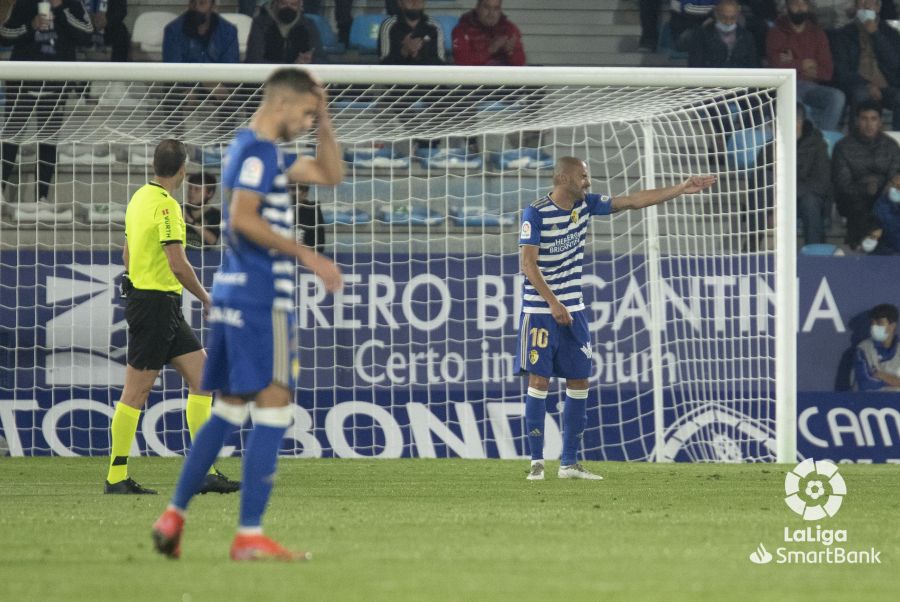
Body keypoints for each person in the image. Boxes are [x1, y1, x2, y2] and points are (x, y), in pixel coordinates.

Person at [152, 68, 344, 561]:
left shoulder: (256, 152)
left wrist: (324, 120)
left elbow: (329, 174)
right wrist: (307, 254)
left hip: (233, 298)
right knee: (275, 408)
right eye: (304, 113)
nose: (306, 123)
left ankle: (174, 515)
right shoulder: (260, 153)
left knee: (229, 409)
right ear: (281, 105)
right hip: (262, 300)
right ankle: (249, 536)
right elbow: (241, 218)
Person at [516, 157, 715, 480]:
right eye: (582, 176)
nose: (588, 182)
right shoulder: (535, 212)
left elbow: (633, 201)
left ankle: (568, 464)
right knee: (539, 381)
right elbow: (528, 264)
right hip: (540, 311)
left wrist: (679, 189)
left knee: (579, 380)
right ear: (564, 178)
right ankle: (537, 463)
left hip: (574, 310)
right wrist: (553, 303)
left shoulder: (586, 206)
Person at [108, 139, 238, 495]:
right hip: (155, 305)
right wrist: (206, 297)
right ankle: (116, 477)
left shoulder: (138, 199)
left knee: (203, 379)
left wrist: (137, 284)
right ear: (183, 169)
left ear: (154, 165)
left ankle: (203, 471)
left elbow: (127, 254)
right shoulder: (168, 208)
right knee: (136, 392)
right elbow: (177, 264)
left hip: (159, 304)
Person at [0, 0, 92, 220]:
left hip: (56, 83)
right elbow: (4, 34)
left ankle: (42, 197)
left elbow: (88, 36)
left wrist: (61, 11)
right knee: (11, 137)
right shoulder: (25, 3)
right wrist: (31, 25)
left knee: (49, 140)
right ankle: (0, 190)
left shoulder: (73, 5)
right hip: (22, 81)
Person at [766, 0, 845, 131]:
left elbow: (827, 71)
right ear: (787, 6)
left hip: (812, 87)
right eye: (795, 4)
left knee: (837, 97)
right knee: (793, 97)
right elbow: (776, 65)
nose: (799, 8)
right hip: (786, 85)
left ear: (808, 7)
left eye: (803, 4)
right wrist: (803, 65)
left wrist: (792, 63)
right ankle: (810, 137)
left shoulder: (817, 33)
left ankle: (823, 138)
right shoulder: (776, 32)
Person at [832, 100, 900, 244]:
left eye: (873, 119)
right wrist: (865, 189)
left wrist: (887, 188)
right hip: (852, 199)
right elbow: (842, 185)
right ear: (857, 121)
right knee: (860, 206)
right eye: (864, 119)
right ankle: (859, 248)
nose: (869, 124)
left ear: (880, 122)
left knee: (890, 205)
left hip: (885, 196)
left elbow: (895, 176)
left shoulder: (891, 146)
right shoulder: (843, 147)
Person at [830, 0, 900, 130]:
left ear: (878, 8)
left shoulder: (891, 33)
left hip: (887, 85)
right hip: (858, 84)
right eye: (862, 4)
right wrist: (867, 85)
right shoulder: (843, 34)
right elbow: (841, 70)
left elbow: (895, 63)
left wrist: (876, 34)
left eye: (871, 3)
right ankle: (854, 143)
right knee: (861, 94)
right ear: (856, 8)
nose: (867, 6)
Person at [796, 102, 832, 245]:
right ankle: (753, 246)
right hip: (777, 200)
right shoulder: (771, 145)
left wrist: (795, 192)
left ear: (801, 122)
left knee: (810, 202)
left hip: (809, 199)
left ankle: (815, 254)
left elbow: (822, 183)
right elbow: (762, 179)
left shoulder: (818, 145)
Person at [245, 0, 323, 65]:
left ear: (300, 5)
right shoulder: (260, 23)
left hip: (300, 79)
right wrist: (291, 66)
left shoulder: (308, 25)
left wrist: (309, 61)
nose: (288, 7)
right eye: (283, 3)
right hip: (265, 80)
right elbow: (254, 59)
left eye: (293, 5)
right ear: (275, 3)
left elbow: (320, 57)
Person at [162, 0, 239, 63]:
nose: (196, 7)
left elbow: (230, 69)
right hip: (185, 81)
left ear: (213, 6)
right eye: (193, 2)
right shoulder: (173, 31)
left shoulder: (228, 31)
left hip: (218, 81)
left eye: (202, 3)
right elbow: (173, 72)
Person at [452, 0, 525, 66]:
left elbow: (520, 64)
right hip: (474, 78)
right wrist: (490, 50)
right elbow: (462, 63)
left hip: (504, 78)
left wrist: (511, 52)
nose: (491, 13)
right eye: (486, 8)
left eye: (496, 8)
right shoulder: (462, 30)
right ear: (477, 8)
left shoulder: (509, 29)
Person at [688, 0, 759, 68]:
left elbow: (753, 65)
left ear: (738, 15)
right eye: (724, 17)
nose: (728, 22)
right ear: (716, 14)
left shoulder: (747, 37)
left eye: (732, 18)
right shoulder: (701, 36)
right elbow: (695, 64)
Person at [379, 0, 445, 65]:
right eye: (409, 0)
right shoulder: (389, 26)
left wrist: (418, 56)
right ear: (400, 3)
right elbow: (383, 64)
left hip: (426, 75)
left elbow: (441, 64)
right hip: (398, 75)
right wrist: (404, 51)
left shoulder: (434, 26)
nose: (415, 3)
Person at [853, 303, 900, 391]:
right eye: (872, 323)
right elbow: (865, 384)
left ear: (892, 326)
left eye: (879, 323)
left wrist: (883, 376)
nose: (874, 327)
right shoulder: (863, 348)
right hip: (869, 403)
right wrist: (895, 381)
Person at [184, 172, 221, 247]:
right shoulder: (178, 209)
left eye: (197, 189)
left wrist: (191, 221)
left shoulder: (215, 214)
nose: (191, 192)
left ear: (209, 193)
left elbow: (212, 241)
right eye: (190, 188)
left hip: (205, 257)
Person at [873, 172, 900, 253]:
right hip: (886, 253)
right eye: (895, 186)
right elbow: (891, 228)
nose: (897, 189)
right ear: (889, 185)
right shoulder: (882, 204)